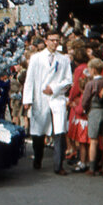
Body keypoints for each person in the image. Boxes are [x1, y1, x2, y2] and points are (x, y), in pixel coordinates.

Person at [22, 30, 73, 174]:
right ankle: (38, 158)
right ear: (46, 41)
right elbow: (30, 80)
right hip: (40, 99)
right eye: (52, 40)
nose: (54, 43)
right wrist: (27, 100)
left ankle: (59, 165)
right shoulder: (36, 58)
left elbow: (68, 80)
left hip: (57, 98)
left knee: (59, 132)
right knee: (39, 133)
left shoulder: (63, 59)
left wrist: (55, 88)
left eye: (57, 40)